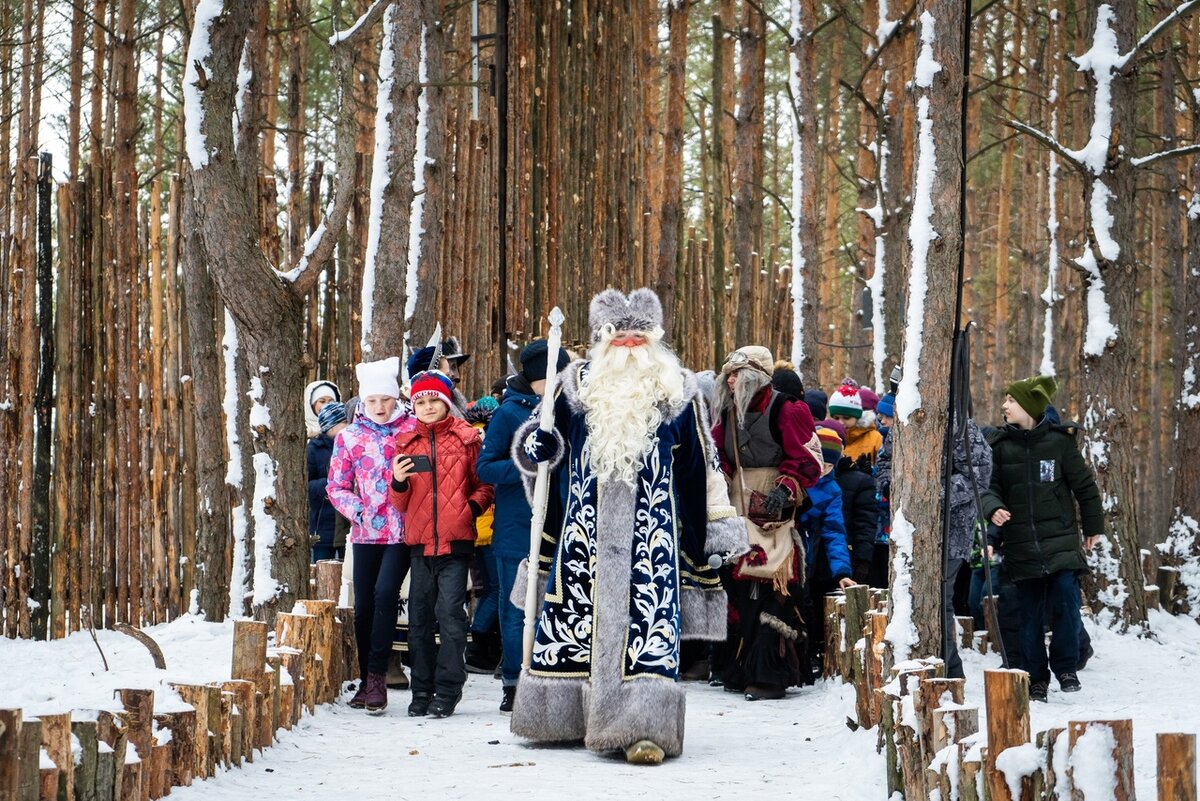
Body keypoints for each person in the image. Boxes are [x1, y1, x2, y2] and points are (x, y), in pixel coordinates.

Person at [510, 289, 747, 764]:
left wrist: (718, 526)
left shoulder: (678, 391)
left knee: (648, 630)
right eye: (618, 334)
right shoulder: (571, 387)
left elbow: (703, 466)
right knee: (572, 625)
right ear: (602, 337)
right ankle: (563, 719)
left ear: (654, 338)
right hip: (583, 536)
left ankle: (645, 730)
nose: (628, 343)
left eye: (638, 334)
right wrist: (537, 448)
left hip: (651, 538)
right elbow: (542, 450)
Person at [980, 375, 1104, 702]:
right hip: (1020, 546)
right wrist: (993, 508)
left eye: (1011, 400)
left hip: (1060, 541)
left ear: (1029, 407)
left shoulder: (1060, 443)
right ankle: (1037, 678)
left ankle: (1066, 667)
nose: (1004, 405)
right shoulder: (999, 445)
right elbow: (988, 488)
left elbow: (1085, 489)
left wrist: (1092, 527)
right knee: (1029, 616)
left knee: (1066, 599)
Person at [712, 345, 825, 701]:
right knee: (738, 587)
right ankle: (739, 668)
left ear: (756, 377)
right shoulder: (727, 414)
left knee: (774, 585)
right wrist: (717, 482)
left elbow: (809, 460)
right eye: (727, 374)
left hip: (774, 512)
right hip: (735, 505)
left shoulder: (787, 409)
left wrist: (785, 488)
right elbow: (718, 457)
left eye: (737, 374)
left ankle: (770, 673)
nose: (730, 380)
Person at [389, 371, 494, 719]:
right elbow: (399, 504)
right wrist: (398, 481)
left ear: (446, 403)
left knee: (450, 617)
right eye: (421, 401)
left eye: (434, 400)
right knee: (419, 621)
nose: (428, 407)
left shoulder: (467, 438)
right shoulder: (405, 443)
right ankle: (421, 690)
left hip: (456, 544)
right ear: (413, 405)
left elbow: (485, 485)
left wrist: (469, 510)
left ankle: (448, 689)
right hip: (419, 546)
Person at [476, 341, 569, 713]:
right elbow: (486, 467)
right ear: (536, 377)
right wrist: (526, 463)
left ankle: (550, 678)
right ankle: (514, 683)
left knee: (555, 605)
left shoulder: (568, 410)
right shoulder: (509, 414)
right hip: (517, 525)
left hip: (560, 524)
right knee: (515, 608)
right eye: (554, 375)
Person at [326, 357, 416, 714]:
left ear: (396, 398)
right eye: (373, 400)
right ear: (364, 401)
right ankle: (365, 678)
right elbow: (336, 486)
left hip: (402, 531)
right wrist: (358, 511)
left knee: (384, 595)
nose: (380, 407)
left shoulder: (410, 430)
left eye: (386, 399)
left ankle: (378, 677)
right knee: (363, 607)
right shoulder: (350, 437)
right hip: (365, 534)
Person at [940, 414, 993, 679]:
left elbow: (979, 474)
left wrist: (933, 493)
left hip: (952, 531)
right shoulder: (903, 419)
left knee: (941, 601)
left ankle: (951, 673)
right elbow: (886, 461)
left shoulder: (959, 425)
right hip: (909, 530)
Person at [464, 395, 502, 676]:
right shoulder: (483, 436)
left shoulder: (471, 433)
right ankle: (476, 640)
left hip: (478, 525)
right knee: (495, 589)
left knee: (488, 588)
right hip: (485, 527)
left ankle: (479, 644)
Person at [819, 422, 876, 585]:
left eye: (829, 465)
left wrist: (861, 559)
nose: (823, 469)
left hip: (838, 555)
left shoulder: (837, 487)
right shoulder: (806, 481)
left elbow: (863, 523)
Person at [309, 402, 349, 561]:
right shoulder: (314, 449)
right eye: (344, 423)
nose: (348, 426)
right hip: (323, 525)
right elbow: (306, 486)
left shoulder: (352, 444)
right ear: (330, 427)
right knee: (322, 571)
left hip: (347, 523)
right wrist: (332, 484)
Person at [828, 379, 883, 466]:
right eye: (836, 418)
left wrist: (870, 473)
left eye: (846, 417)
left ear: (857, 416)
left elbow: (882, 468)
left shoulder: (875, 438)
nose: (841, 422)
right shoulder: (828, 437)